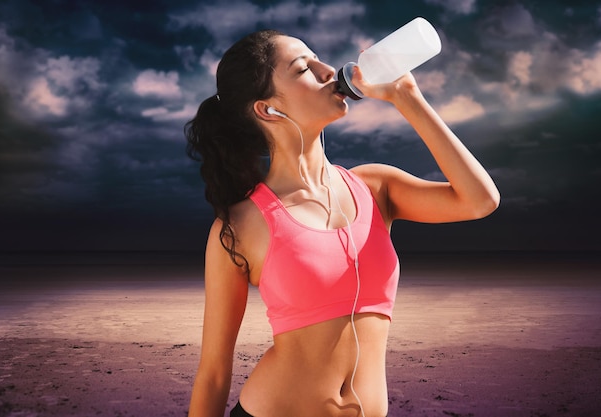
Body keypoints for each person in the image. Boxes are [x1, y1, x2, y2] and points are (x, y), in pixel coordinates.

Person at [185, 29, 499, 417]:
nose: (327, 69)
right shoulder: (239, 226)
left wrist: (407, 96)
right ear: (268, 109)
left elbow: (480, 200)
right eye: (303, 68)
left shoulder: (376, 187)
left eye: (318, 58)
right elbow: (215, 373)